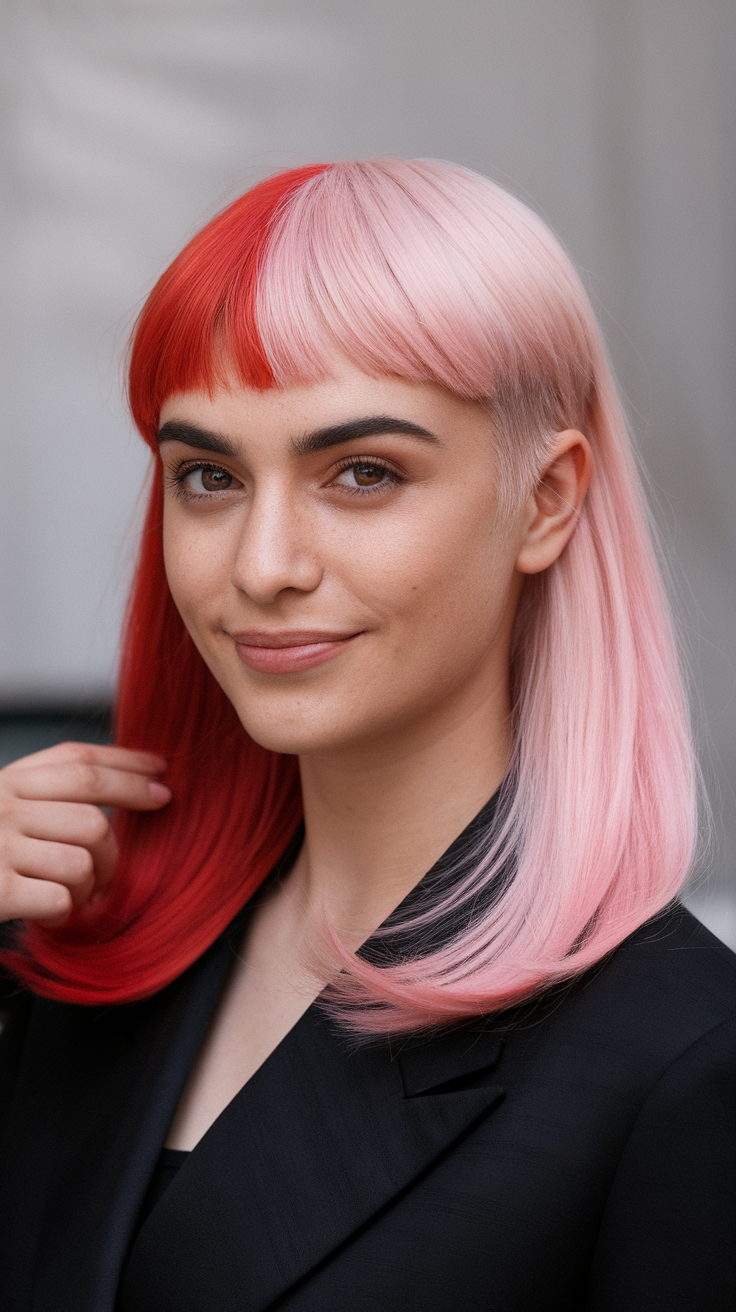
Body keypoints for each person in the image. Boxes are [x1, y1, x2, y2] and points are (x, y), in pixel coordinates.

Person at [0, 158, 733, 1312]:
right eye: (208, 476)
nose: (261, 565)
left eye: (361, 471)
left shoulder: (680, 1059)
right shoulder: (76, 949)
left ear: (545, 502)